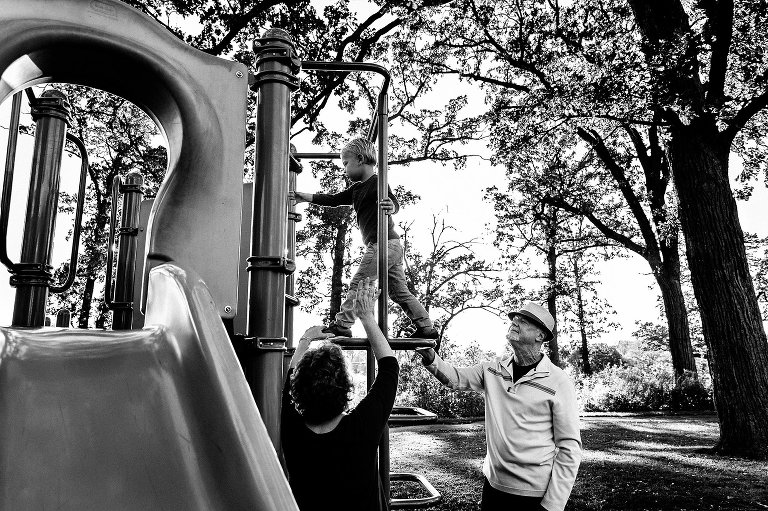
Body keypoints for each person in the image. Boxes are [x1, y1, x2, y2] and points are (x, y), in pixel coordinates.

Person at [415, 302, 582, 511]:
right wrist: (431, 357)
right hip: (493, 488)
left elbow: (570, 448)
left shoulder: (558, 381)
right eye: (515, 318)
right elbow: (454, 378)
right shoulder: (493, 370)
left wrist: (552, 505)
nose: (515, 322)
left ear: (540, 336)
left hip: (534, 495)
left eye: (524, 321)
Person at [293, 137, 438, 339]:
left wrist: (392, 207)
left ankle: (342, 324)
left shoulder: (377, 182)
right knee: (398, 292)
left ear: (360, 159)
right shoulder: (355, 190)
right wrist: (305, 197)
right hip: (392, 247)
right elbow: (334, 200)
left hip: (383, 244)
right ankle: (426, 328)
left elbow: (392, 201)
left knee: (359, 282)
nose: (344, 169)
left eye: (346, 163)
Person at [281, 277, 398, 511]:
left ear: (299, 390)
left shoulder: (291, 429)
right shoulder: (361, 427)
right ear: (345, 387)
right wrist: (366, 317)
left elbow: (289, 381)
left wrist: (306, 339)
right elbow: (390, 366)